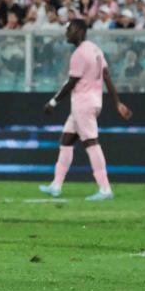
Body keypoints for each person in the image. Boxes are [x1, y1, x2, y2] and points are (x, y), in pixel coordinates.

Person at [38, 19, 132, 200]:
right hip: (93, 102)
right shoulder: (96, 49)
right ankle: (56, 185)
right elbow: (106, 76)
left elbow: (71, 83)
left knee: (91, 143)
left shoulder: (79, 54)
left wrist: (53, 102)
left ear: (80, 31)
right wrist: (117, 102)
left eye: (70, 29)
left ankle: (105, 189)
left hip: (83, 104)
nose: (67, 33)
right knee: (66, 140)